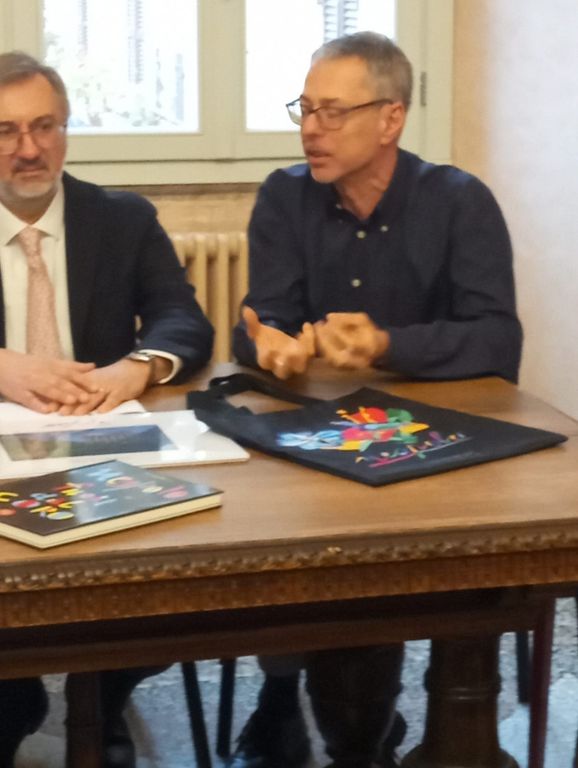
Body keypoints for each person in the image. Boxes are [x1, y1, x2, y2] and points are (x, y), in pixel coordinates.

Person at [232, 31, 522, 768]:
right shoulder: (284, 195)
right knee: (298, 549)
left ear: (391, 118)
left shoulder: (458, 201)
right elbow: (263, 318)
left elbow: (497, 338)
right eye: (305, 109)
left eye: (332, 112)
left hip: (439, 452)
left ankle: (387, 730)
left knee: (397, 577)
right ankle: (311, 706)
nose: (310, 129)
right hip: (320, 448)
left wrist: (388, 345)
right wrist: (272, 347)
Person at [0, 51, 213, 768]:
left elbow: (183, 319)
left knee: (167, 578)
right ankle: (16, 700)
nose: (28, 148)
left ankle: (105, 696)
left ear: (66, 130)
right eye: (5, 130)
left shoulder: (122, 219)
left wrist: (137, 367)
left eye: (44, 126)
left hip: (104, 458)